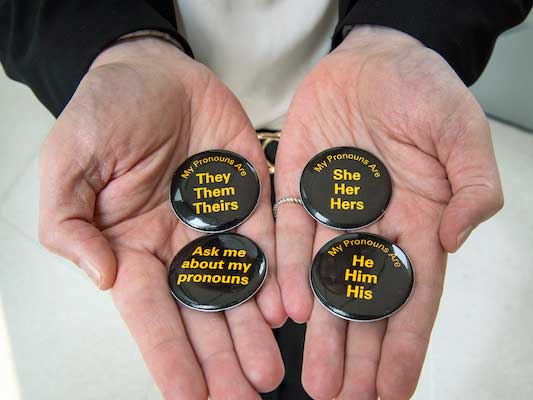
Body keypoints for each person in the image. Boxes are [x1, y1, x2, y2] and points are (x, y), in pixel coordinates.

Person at [1, 1, 531, 399]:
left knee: (322, 352)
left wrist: (407, 30)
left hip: (361, 131)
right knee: (235, 353)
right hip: (166, 164)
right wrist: (106, 46)